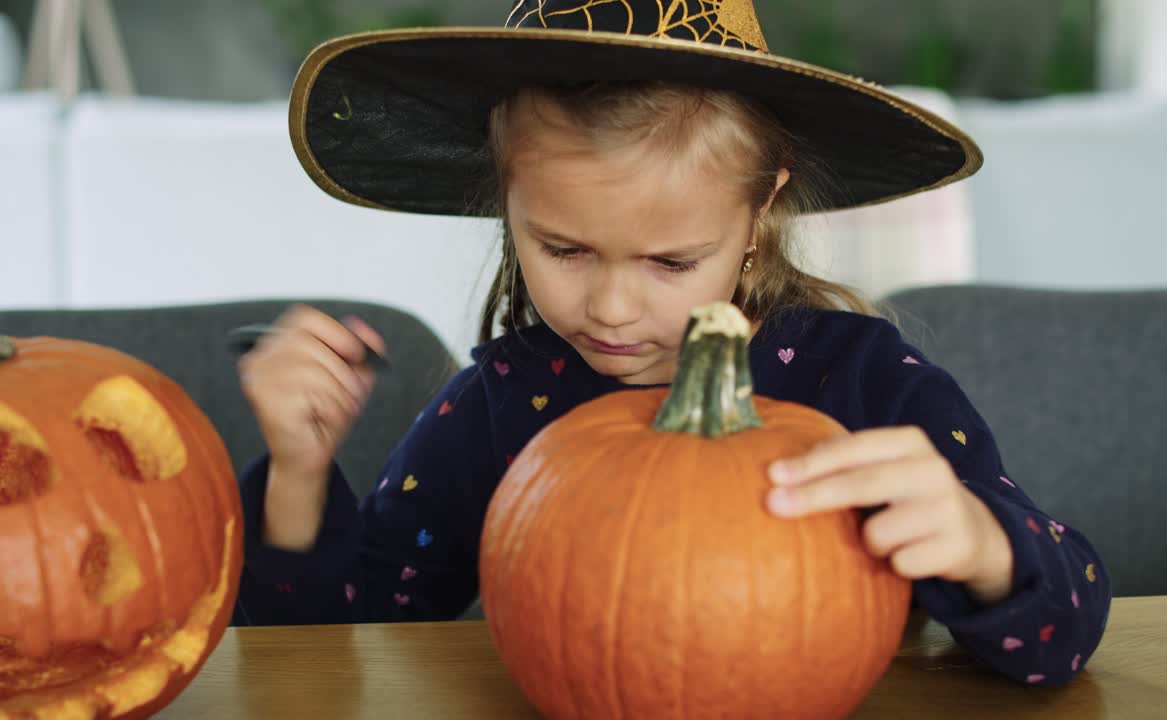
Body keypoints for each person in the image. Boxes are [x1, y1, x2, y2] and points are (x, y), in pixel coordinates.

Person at [234, 0, 1110, 687]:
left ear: (759, 211)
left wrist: (986, 548)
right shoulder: (503, 405)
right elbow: (330, 648)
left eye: (671, 261)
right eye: (564, 249)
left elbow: (1061, 640)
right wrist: (298, 477)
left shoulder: (866, 383)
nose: (612, 309)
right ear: (508, 202)